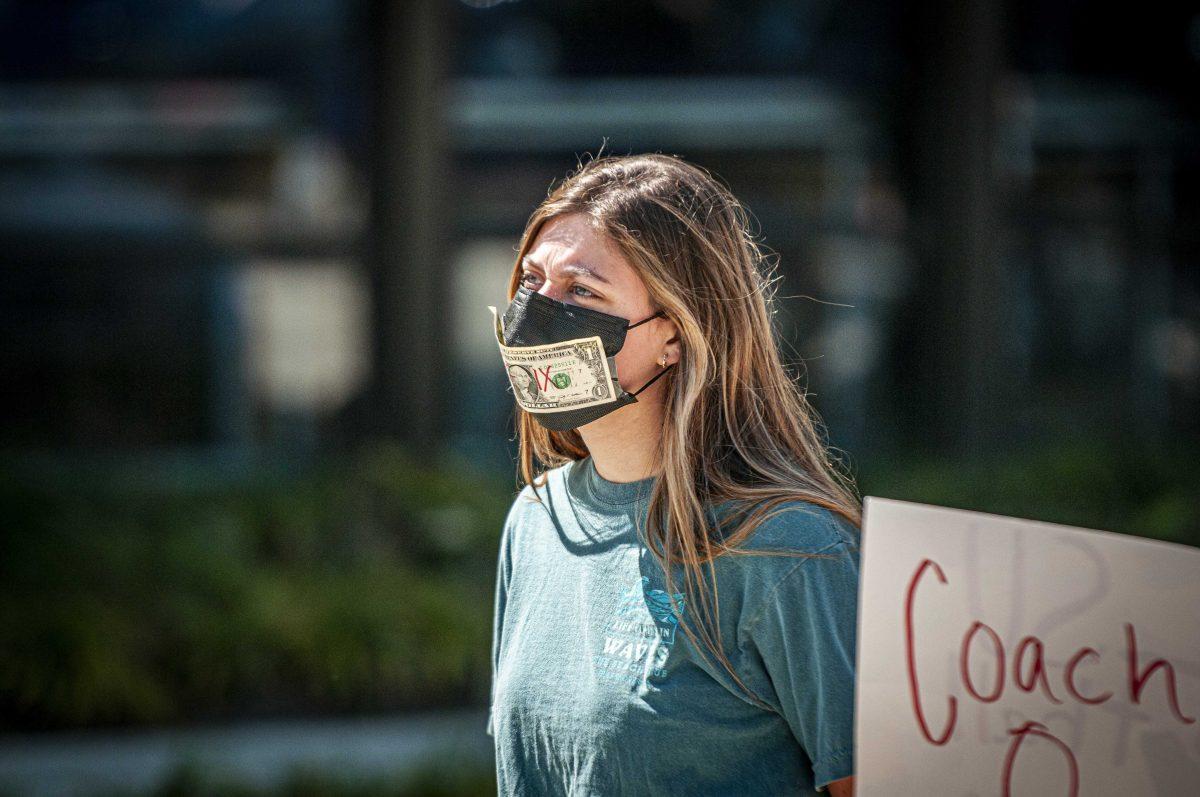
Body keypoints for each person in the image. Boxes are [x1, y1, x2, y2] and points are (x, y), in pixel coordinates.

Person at [486, 151, 862, 796]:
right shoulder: (535, 520)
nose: (536, 314)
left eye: (581, 291)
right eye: (531, 282)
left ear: (678, 335)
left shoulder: (789, 550)